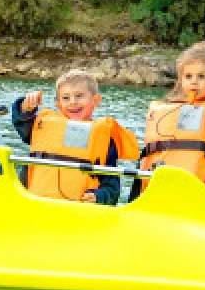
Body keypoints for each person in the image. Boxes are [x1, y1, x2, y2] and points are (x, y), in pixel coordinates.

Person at [136, 42, 205, 201]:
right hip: (170, 192)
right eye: (188, 76)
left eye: (201, 76)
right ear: (181, 80)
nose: (194, 82)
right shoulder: (174, 111)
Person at [12, 69, 138, 205]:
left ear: (95, 101)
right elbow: (23, 123)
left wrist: (99, 196)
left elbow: (111, 185)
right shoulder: (44, 127)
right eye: (66, 98)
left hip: (77, 211)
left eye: (79, 96)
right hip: (35, 204)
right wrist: (25, 107)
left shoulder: (104, 138)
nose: (72, 102)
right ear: (59, 105)